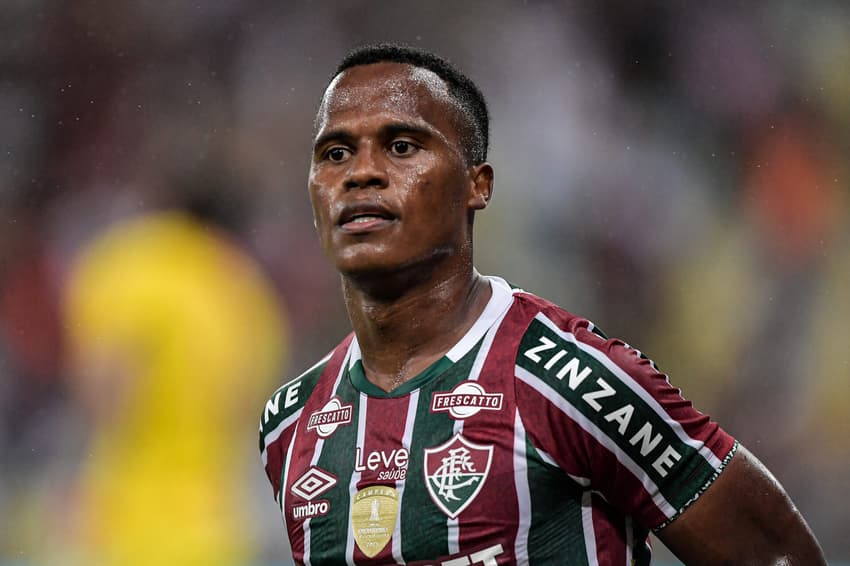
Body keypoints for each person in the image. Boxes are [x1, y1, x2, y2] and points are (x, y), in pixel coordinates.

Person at [259, 43, 825, 565]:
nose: (361, 173)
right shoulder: (289, 423)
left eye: (402, 146)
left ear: (476, 186)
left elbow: (777, 555)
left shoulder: (571, 382)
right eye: (335, 153)